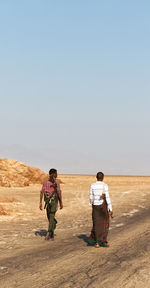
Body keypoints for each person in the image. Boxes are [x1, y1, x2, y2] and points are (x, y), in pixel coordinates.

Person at [88, 172, 113, 248]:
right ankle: (103, 241)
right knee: (105, 223)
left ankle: (96, 242)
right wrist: (110, 209)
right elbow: (107, 197)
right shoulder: (105, 186)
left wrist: (92, 204)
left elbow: (90, 197)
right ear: (103, 178)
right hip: (103, 207)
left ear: (96, 177)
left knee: (96, 224)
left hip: (95, 207)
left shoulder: (92, 185)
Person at [39, 168, 63, 240]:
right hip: (47, 201)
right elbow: (41, 192)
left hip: (53, 201)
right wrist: (40, 203)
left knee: (52, 215)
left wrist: (60, 202)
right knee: (49, 217)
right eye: (56, 173)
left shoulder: (56, 183)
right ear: (53, 174)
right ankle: (52, 227)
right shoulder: (45, 182)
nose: (57, 175)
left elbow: (58, 193)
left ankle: (49, 233)